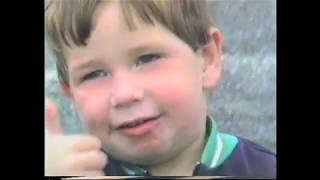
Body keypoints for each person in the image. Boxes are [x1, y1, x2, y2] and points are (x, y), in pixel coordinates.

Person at [45, 0, 276, 177]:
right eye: (94, 74)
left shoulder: (264, 170)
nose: (125, 94)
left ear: (207, 59)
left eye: (148, 59)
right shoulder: (76, 172)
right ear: (71, 94)